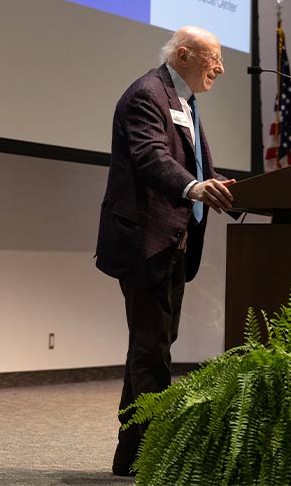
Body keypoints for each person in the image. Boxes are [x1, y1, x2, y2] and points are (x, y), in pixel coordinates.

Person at [95, 25, 235, 476]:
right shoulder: (147, 95)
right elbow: (150, 156)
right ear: (183, 55)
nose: (221, 67)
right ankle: (156, 454)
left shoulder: (183, 101)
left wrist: (224, 188)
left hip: (174, 241)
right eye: (213, 57)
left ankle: (131, 454)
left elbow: (193, 163)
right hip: (144, 241)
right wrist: (195, 188)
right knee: (152, 350)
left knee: (151, 345)